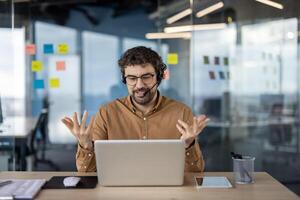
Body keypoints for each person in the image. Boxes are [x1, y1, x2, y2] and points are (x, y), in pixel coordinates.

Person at [61, 46, 210, 172]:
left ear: (158, 77)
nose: (139, 85)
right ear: (124, 80)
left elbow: (196, 172)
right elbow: (87, 172)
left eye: (146, 77)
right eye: (132, 78)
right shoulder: (107, 113)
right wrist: (86, 146)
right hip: (118, 191)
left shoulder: (181, 112)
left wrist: (188, 145)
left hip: (167, 192)